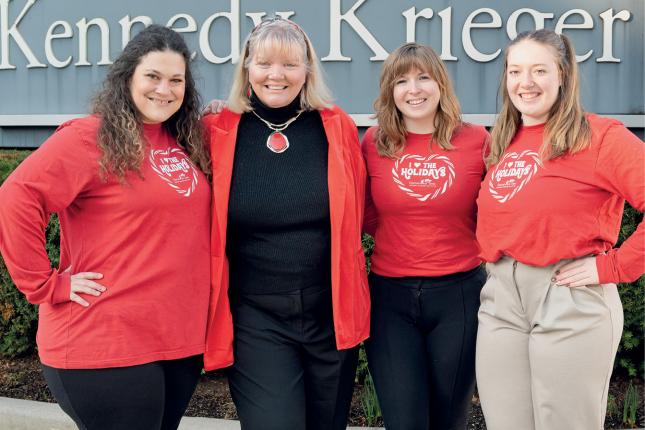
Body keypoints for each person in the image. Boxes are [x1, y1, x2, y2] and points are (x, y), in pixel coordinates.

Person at [0, 25, 211, 430]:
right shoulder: (90, 138)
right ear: (127, 76)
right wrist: (46, 285)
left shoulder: (184, 139)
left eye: (176, 80)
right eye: (152, 76)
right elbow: (16, 199)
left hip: (174, 343)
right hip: (104, 340)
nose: (164, 90)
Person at [201, 17, 369, 430]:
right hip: (256, 317)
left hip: (329, 313)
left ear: (308, 70)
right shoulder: (215, 130)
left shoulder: (337, 127)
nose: (276, 75)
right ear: (246, 67)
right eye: (264, 63)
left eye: (290, 65)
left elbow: (363, 211)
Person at [476, 29, 644, 430]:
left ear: (563, 76)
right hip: (501, 301)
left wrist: (614, 268)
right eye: (515, 71)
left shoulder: (601, 137)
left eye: (539, 70)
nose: (525, 82)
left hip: (568, 298)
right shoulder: (502, 141)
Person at [361, 42, 489, 429]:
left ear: (441, 85)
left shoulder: (477, 140)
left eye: (423, 77)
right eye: (401, 81)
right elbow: (365, 210)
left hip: (459, 297)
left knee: (449, 418)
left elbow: (497, 209)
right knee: (403, 420)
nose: (413, 89)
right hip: (390, 299)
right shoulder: (374, 141)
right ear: (390, 91)